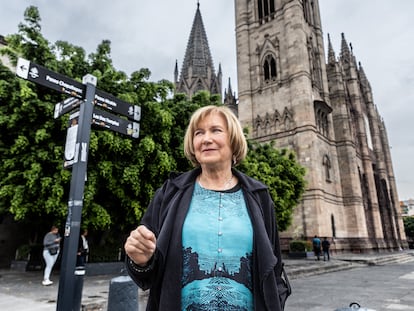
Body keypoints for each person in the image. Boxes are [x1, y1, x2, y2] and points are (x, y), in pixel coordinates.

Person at [124, 105, 291, 310]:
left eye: (216, 130)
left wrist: (277, 300)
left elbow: (274, 268)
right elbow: (146, 266)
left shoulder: (259, 196)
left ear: (233, 140)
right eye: (198, 133)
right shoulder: (170, 192)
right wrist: (140, 260)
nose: (206, 139)